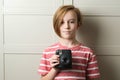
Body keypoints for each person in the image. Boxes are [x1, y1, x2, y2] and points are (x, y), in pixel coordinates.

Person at [38, 5, 100, 80]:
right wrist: (55, 69)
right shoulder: (48, 51)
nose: (66, 26)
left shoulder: (88, 52)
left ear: (78, 24)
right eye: (62, 22)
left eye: (72, 22)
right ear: (56, 25)